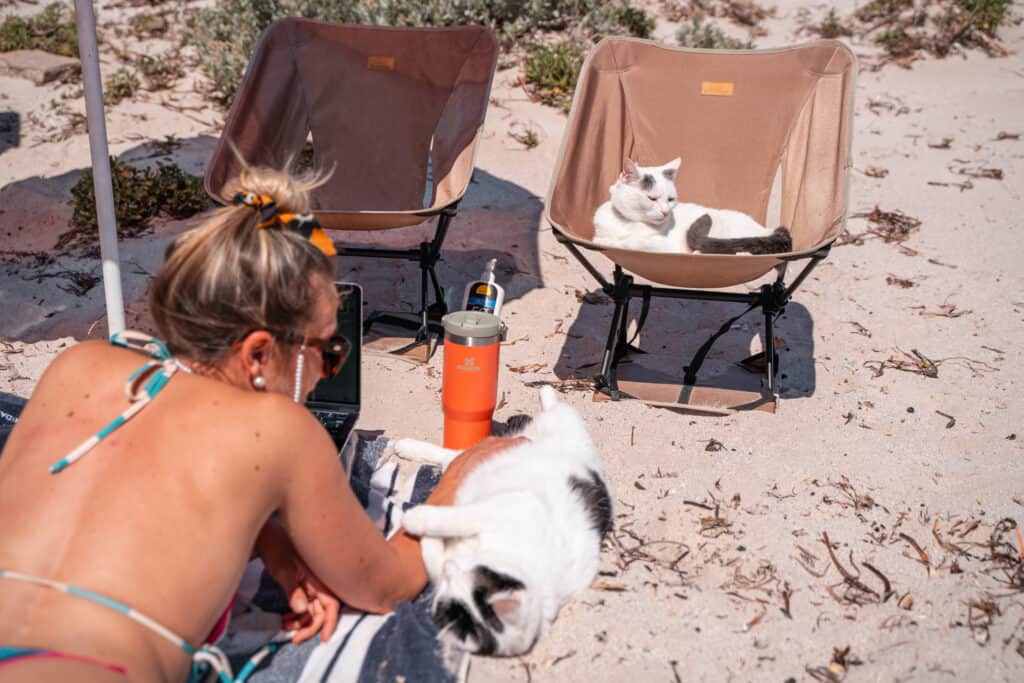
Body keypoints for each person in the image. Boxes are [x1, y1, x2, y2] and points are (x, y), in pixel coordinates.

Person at [0, 162, 519, 682]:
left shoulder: (78, 365)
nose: (326, 371)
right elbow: (383, 586)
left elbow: (120, 505)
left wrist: (268, 537)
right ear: (258, 354)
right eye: (327, 349)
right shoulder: (277, 429)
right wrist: (459, 476)